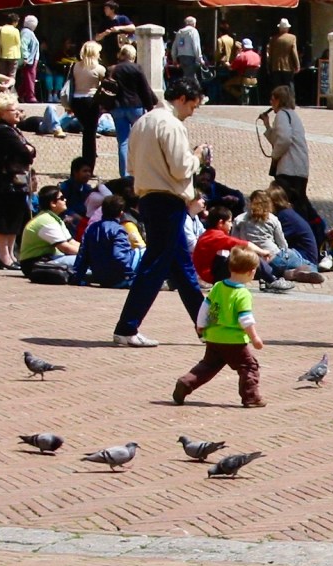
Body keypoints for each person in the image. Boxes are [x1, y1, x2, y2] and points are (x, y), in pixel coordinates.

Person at [112, 77, 209, 348]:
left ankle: (206, 326)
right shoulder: (171, 124)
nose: (192, 112)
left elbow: (131, 166)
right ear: (182, 99)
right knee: (155, 265)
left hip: (148, 197)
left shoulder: (142, 122)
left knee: (181, 266)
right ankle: (127, 327)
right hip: (168, 199)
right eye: (193, 106)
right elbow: (181, 168)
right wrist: (198, 157)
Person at [173, 245, 266, 408]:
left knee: (208, 366)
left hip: (214, 336)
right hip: (234, 340)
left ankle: (186, 382)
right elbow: (245, 319)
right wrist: (254, 337)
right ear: (251, 272)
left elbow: (205, 306)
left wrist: (200, 324)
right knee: (249, 366)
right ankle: (251, 397)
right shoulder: (243, 294)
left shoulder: (218, 286)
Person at [262, 85, 318, 230]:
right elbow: (279, 139)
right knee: (300, 204)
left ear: (278, 100)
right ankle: (315, 230)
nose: (271, 102)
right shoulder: (293, 116)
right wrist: (267, 125)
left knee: (283, 203)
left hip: (289, 169)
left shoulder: (282, 115)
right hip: (299, 169)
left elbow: (284, 140)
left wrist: (275, 156)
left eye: (272, 99)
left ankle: (293, 233)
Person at [0, 93, 35, 270]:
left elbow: (32, 150)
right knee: (4, 221)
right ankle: (4, 257)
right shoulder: (2, 131)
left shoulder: (14, 130)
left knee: (14, 220)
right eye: (12, 110)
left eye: (18, 109)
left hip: (17, 184)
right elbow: (24, 152)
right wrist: (28, 150)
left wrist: (28, 150)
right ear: (1, 113)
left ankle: (11, 255)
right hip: (4, 184)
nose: (17, 113)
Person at [70, 194, 141, 287]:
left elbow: (82, 255)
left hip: (101, 277)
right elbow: (119, 256)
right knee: (143, 251)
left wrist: (77, 277)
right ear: (121, 213)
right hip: (120, 278)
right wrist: (130, 276)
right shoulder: (118, 229)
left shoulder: (91, 228)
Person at [110, 44, 156, 178]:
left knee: (123, 142)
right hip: (135, 106)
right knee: (140, 140)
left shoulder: (113, 69)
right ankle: (140, 171)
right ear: (133, 56)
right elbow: (145, 89)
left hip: (118, 107)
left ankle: (125, 175)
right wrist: (151, 106)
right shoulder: (137, 68)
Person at [18, 186, 80, 277]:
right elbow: (65, 248)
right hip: (36, 264)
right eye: (62, 198)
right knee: (87, 262)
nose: (65, 200)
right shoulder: (46, 221)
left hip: (50, 259)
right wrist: (89, 254)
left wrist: (91, 250)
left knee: (90, 263)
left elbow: (71, 242)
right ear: (53, 203)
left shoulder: (55, 219)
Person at [268, 184, 321, 272]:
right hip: (301, 255)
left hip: (304, 258)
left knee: (270, 261)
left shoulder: (284, 217)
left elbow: (275, 241)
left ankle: (304, 270)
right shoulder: (286, 213)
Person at [70, 41, 105, 171]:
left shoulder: (75, 66)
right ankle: (89, 165)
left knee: (87, 132)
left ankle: (86, 162)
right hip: (91, 100)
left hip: (77, 100)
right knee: (90, 134)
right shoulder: (99, 68)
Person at [94, 1, 135, 65]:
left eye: (106, 8)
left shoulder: (122, 18)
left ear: (112, 9)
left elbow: (133, 27)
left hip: (123, 49)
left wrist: (119, 28)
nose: (105, 10)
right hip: (110, 50)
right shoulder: (104, 22)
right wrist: (104, 33)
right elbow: (97, 38)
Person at [267, 18, 299, 95]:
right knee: (289, 85)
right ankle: (290, 100)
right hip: (288, 65)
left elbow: (270, 54)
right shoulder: (292, 38)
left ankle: (278, 100)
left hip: (275, 66)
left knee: (277, 87)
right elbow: (294, 52)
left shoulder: (273, 39)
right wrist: (297, 65)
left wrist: (269, 66)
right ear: (287, 28)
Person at [170, 16, 205, 86]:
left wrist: (174, 59)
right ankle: (196, 91)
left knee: (187, 76)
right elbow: (196, 46)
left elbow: (174, 46)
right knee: (190, 77)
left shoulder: (179, 32)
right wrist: (200, 58)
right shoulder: (193, 31)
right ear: (193, 24)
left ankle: (191, 90)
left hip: (181, 57)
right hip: (191, 57)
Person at [17, 16, 39, 104]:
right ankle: (30, 96)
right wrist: (25, 57)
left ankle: (19, 95)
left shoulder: (28, 32)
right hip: (29, 59)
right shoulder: (26, 32)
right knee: (30, 77)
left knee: (27, 78)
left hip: (32, 59)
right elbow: (23, 44)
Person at [0, 14, 21, 78]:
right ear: (14, 22)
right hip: (13, 55)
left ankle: (3, 84)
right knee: (12, 75)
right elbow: (18, 43)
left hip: (2, 54)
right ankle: (10, 84)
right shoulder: (15, 30)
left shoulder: (0, 29)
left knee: (3, 75)